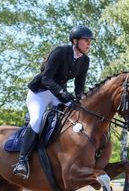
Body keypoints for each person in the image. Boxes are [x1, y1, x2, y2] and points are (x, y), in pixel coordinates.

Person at [13, 25, 94, 179]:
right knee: (37, 120)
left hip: (57, 94)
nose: (88, 44)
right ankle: (22, 162)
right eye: (86, 41)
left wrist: (79, 99)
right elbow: (46, 78)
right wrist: (62, 92)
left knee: (73, 118)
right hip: (40, 92)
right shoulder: (60, 52)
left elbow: (79, 85)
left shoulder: (85, 60)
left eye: (90, 41)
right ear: (75, 41)